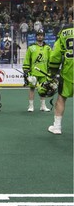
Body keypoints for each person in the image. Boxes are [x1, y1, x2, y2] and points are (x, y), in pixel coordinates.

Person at [47, 7, 74, 135]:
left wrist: (52, 71)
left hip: (68, 70)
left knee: (62, 98)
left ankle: (57, 127)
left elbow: (56, 54)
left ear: (70, 17)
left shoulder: (64, 30)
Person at [22, 29, 51, 112]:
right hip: (33, 73)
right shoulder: (31, 48)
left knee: (43, 89)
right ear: (36, 36)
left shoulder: (48, 48)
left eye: (41, 35)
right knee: (32, 88)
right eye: (38, 35)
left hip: (44, 72)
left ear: (44, 36)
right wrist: (26, 71)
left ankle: (43, 106)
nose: (40, 36)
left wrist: (50, 71)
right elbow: (27, 60)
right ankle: (31, 106)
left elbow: (50, 60)